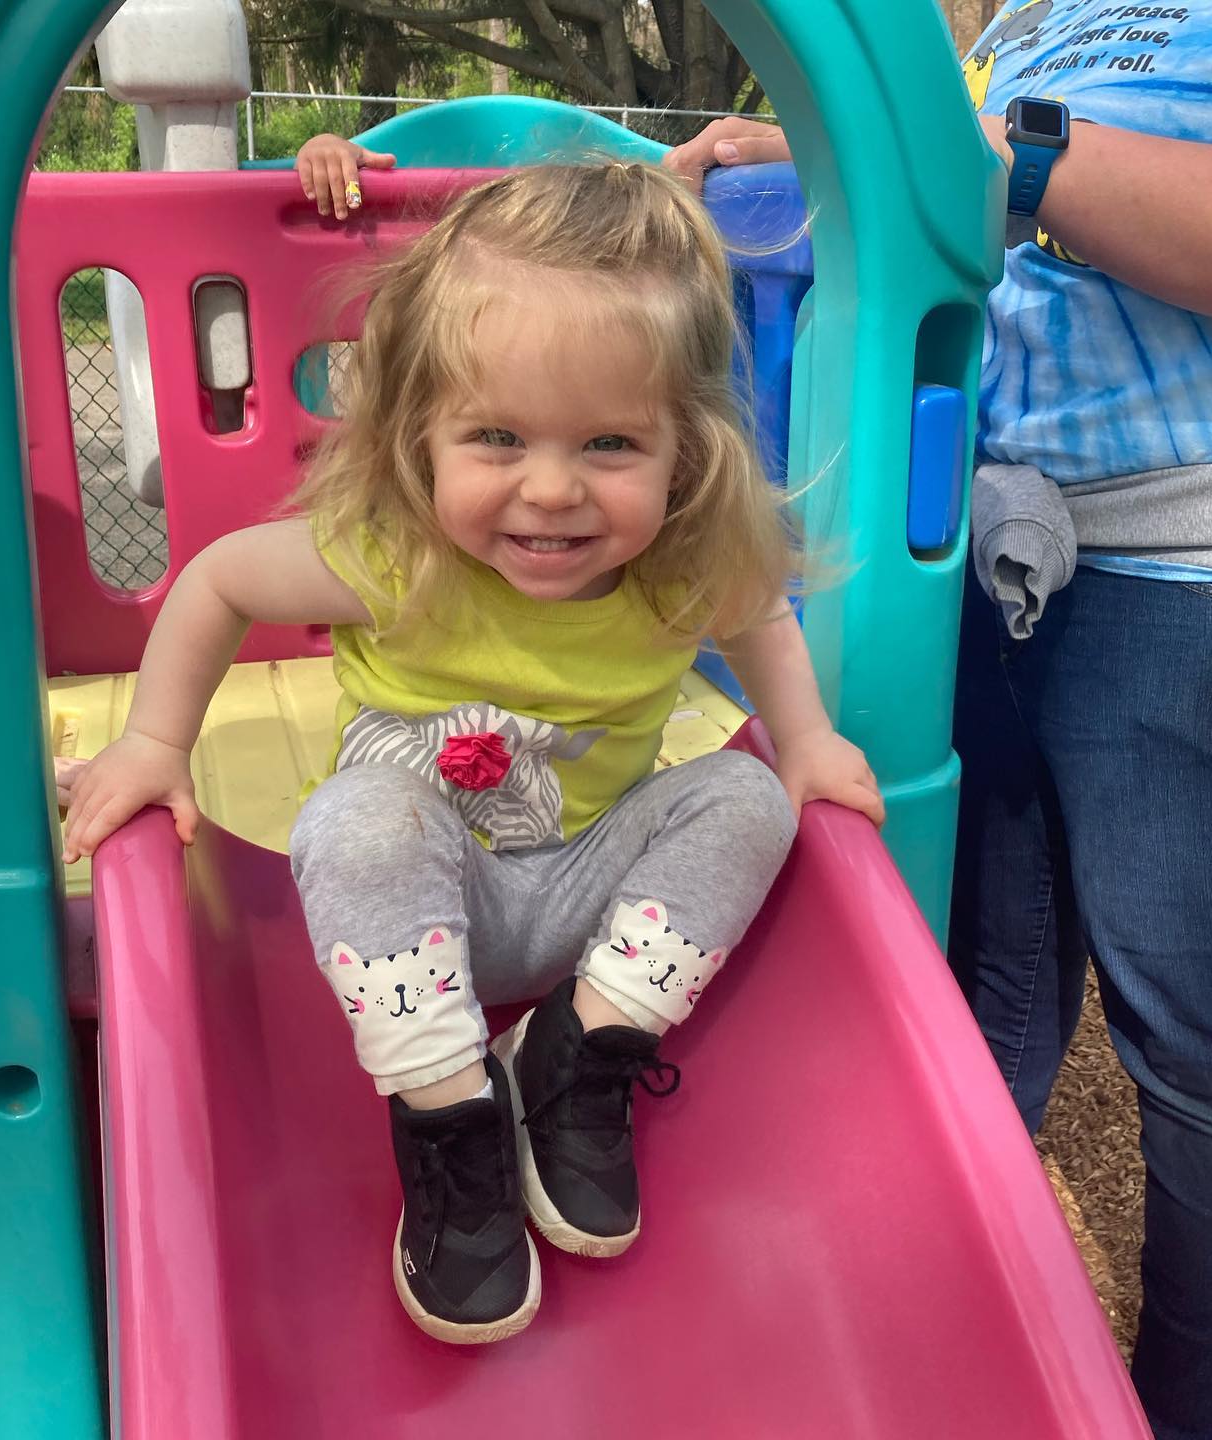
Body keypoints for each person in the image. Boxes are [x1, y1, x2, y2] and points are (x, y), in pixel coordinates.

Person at [59, 161, 883, 1347]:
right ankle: (451, 1122)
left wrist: (803, 740)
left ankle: (581, 1045)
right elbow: (219, 579)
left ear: (686, 453)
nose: (550, 490)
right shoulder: (399, 560)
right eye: (496, 436)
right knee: (358, 814)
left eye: (609, 443)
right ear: (420, 436)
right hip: (409, 908)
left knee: (747, 797)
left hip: (584, 902)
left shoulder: (677, 567)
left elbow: (756, 612)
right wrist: (154, 741)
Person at [668, 3, 1212, 1436]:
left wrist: (1021, 154)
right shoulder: (1041, 7)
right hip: (990, 555)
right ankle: (931, 1347)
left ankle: (1205, 1420)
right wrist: (796, 142)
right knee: (976, 998)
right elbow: (964, 170)